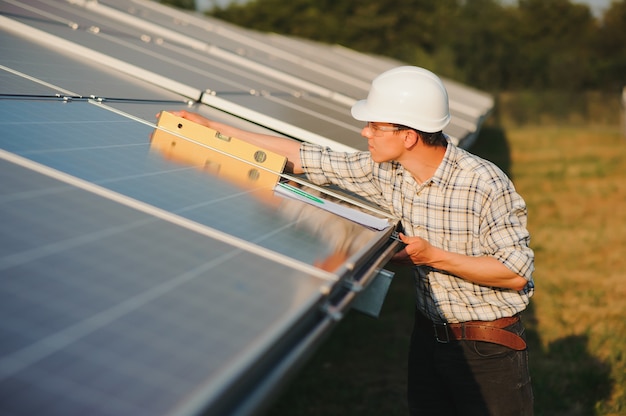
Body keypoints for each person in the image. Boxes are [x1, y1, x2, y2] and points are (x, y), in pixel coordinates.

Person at [166, 65, 535, 415]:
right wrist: (211, 129)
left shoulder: (483, 183)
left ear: (408, 136)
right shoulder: (387, 172)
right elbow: (304, 156)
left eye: (375, 126)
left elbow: (514, 272)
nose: (365, 133)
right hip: (427, 337)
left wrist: (432, 257)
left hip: (488, 348)